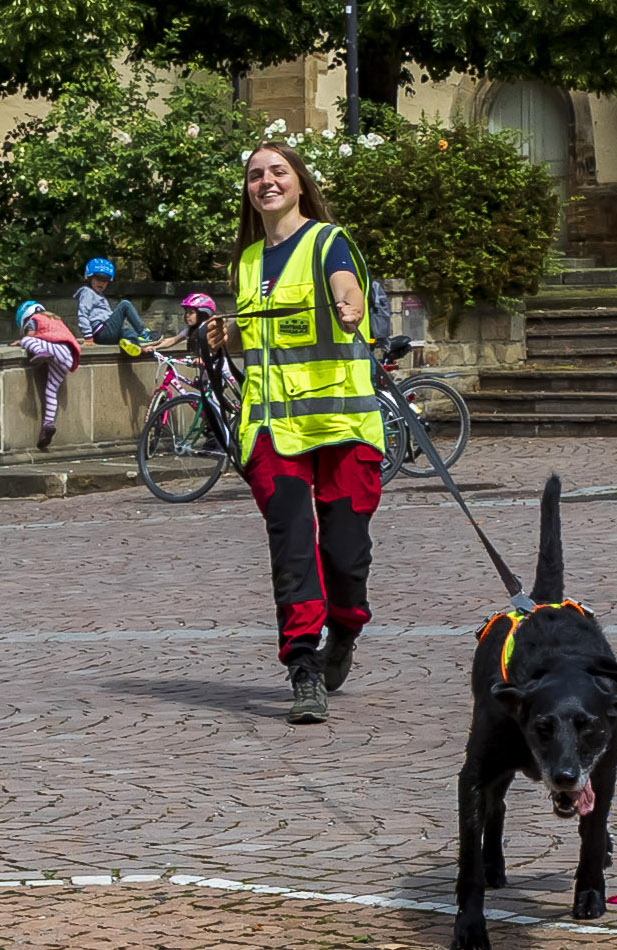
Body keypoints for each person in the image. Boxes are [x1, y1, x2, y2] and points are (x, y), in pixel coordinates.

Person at [206, 141, 384, 726]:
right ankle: (303, 667)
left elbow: (345, 289)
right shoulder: (249, 261)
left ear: (299, 183)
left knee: (344, 555)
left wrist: (349, 305)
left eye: (277, 171)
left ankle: (345, 629)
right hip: (272, 429)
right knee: (291, 545)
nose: (266, 182)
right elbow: (254, 341)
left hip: (341, 423)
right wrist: (221, 340)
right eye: (255, 175)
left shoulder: (330, 242)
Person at [11, 300, 81, 449]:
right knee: (51, 390)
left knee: (27, 340)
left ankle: (40, 352)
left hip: (55, 349)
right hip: (67, 356)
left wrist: (21, 341)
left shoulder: (34, 320)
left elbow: (31, 335)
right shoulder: (55, 319)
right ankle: (47, 425)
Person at [74, 258, 151, 356]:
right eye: (98, 279)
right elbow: (82, 314)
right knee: (125, 304)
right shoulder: (87, 292)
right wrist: (88, 337)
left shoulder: (98, 295)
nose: (101, 283)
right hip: (102, 331)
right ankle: (143, 333)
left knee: (128, 332)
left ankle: (133, 344)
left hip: (107, 334)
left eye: (105, 280)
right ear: (89, 278)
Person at [144, 293, 217, 353]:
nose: (187, 315)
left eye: (191, 312)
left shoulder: (210, 328)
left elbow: (213, 347)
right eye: (187, 312)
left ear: (203, 314)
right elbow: (173, 340)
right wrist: (154, 347)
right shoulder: (190, 330)